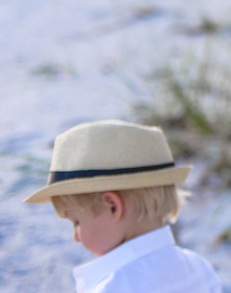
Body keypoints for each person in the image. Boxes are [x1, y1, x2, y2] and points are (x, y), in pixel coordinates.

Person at [24, 119, 221, 293]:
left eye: (76, 222)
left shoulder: (112, 288)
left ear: (112, 207)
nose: (76, 237)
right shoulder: (200, 268)